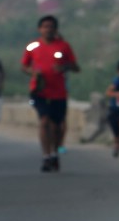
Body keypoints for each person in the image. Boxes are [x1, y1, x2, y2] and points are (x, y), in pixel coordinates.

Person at [21, 15, 79, 172]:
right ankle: (46, 156)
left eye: (51, 26)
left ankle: (55, 152)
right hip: (39, 91)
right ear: (40, 29)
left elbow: (75, 66)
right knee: (44, 121)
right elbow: (24, 66)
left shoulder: (64, 46)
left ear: (56, 29)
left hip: (59, 92)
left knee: (57, 126)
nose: (48, 29)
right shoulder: (32, 46)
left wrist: (64, 67)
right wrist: (33, 73)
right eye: (45, 26)